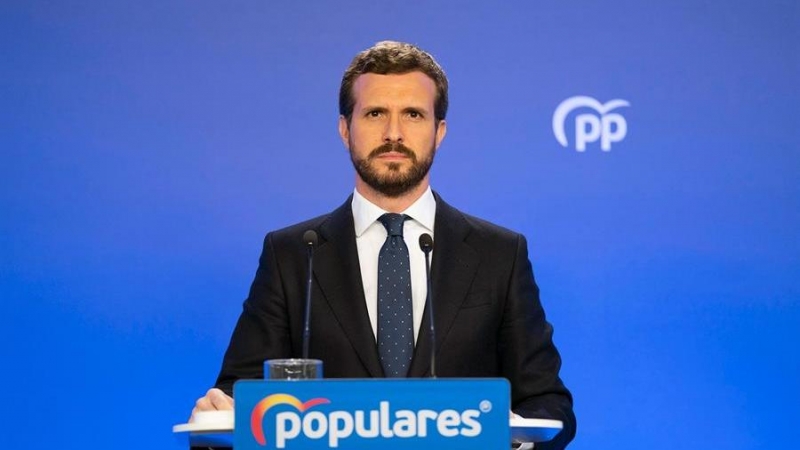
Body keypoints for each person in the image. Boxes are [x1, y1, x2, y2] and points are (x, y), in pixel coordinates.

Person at [191, 41, 576, 449]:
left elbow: (548, 404)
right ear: (345, 129)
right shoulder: (292, 255)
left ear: (439, 131)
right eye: (375, 113)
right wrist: (218, 417)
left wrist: (514, 437)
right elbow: (239, 398)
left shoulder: (500, 254)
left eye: (413, 114)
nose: (394, 134)